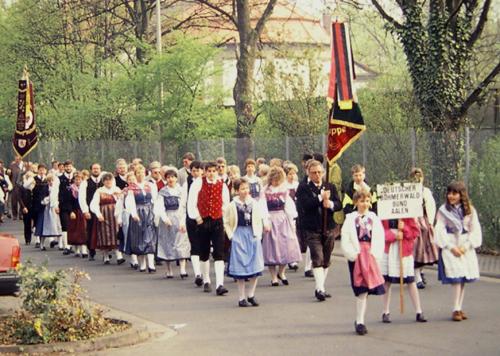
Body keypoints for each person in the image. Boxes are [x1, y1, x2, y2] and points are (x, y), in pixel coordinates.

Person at [435, 181, 481, 322]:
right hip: (451, 245)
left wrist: (467, 246)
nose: (451, 196)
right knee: (456, 277)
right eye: (449, 193)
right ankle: (455, 308)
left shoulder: (470, 210)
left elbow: (475, 229)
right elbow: (440, 229)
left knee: (463, 279)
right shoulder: (444, 210)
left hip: (464, 245)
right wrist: (450, 246)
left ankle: (459, 307)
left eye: (454, 193)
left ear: (461, 195)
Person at [296, 160, 342, 301]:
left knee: (326, 259)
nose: (317, 175)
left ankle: (320, 286)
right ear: (308, 173)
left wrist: (331, 204)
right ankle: (320, 289)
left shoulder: (329, 186)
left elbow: (338, 204)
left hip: (328, 227)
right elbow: (305, 205)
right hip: (312, 227)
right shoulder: (304, 187)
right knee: (317, 257)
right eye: (314, 172)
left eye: (320, 172)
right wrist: (320, 198)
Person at [341, 190, 385, 335]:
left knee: (366, 289)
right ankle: (359, 320)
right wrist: (351, 253)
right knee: (360, 288)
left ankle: (360, 321)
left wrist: (376, 253)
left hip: (369, 255)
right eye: (361, 201)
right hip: (357, 254)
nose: (364, 204)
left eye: (367, 201)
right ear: (355, 203)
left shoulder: (373, 218)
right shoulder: (350, 219)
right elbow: (346, 237)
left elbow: (379, 237)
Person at [188, 161, 230, 295]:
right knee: (204, 252)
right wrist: (197, 217)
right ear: (205, 171)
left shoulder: (221, 184)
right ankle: (206, 280)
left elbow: (225, 203)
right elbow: (192, 202)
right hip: (203, 221)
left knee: (219, 253)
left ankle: (220, 284)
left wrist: (221, 215)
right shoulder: (198, 183)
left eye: (214, 171)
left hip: (217, 221)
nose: (211, 174)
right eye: (209, 171)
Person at [224, 178, 267, 307]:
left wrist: (258, 234)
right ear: (237, 191)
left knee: (255, 265)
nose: (245, 191)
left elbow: (259, 218)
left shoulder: (254, 203)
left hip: (252, 234)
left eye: (247, 188)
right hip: (239, 235)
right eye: (242, 189)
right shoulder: (232, 205)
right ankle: (241, 297)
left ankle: (251, 294)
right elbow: (226, 221)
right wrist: (231, 236)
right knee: (240, 267)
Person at [381, 217, 427, 323]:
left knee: (411, 280)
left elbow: (415, 232)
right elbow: (379, 231)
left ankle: (419, 311)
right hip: (389, 249)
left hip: (404, 250)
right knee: (387, 281)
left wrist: (404, 228)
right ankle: (385, 311)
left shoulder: (407, 214)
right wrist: (393, 235)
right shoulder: (384, 212)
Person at [261, 166, 302, 286]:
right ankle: (273, 277)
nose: (276, 182)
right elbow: (262, 207)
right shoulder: (265, 191)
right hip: (271, 219)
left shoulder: (284, 190)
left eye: (278, 179)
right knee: (271, 248)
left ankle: (282, 272)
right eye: (274, 179)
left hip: (283, 220)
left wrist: (292, 221)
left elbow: (289, 207)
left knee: (286, 245)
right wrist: (265, 222)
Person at [155, 169, 191, 278]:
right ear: (166, 179)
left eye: (173, 177)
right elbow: (159, 206)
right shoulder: (162, 192)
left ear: (176, 178)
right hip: (168, 217)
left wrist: (183, 220)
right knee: (167, 243)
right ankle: (169, 270)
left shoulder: (181, 191)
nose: (171, 179)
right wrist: (165, 218)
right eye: (168, 177)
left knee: (181, 242)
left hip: (179, 217)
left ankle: (183, 269)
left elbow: (184, 206)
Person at [126, 165, 158, 273]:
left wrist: (155, 213)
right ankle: (142, 263)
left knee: (150, 237)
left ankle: (151, 264)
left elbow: (155, 199)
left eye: (142, 173)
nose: (141, 175)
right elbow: (130, 201)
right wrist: (134, 213)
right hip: (138, 211)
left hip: (149, 211)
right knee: (139, 238)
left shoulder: (150, 185)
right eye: (138, 173)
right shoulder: (132, 188)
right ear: (135, 175)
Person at [410, 168, 438, 289]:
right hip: (413, 222)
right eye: (415, 177)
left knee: (426, 249)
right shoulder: (408, 191)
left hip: (424, 222)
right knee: (416, 249)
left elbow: (431, 206)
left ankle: (420, 272)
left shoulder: (425, 191)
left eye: (419, 177)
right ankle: (417, 276)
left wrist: (430, 222)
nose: (417, 179)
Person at [90, 173, 124, 265]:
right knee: (104, 235)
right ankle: (105, 256)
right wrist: (98, 214)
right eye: (106, 180)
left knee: (116, 234)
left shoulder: (116, 189)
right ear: (103, 181)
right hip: (104, 215)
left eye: (110, 180)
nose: (108, 182)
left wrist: (119, 196)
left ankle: (119, 256)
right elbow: (94, 204)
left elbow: (122, 201)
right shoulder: (99, 191)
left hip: (115, 214)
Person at [183, 161, 204, 286]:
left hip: (205, 218)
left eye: (198, 170)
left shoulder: (205, 183)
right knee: (194, 246)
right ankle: (197, 273)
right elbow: (184, 203)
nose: (195, 173)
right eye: (193, 170)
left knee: (204, 246)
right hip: (191, 218)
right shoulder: (188, 183)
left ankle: (204, 272)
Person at [79, 163, 102, 261]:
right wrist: (85, 211)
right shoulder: (85, 183)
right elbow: (82, 198)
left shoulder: (104, 181)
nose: (96, 170)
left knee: (103, 230)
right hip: (90, 210)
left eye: (97, 168)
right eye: (94, 169)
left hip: (102, 210)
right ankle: (91, 250)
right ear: (91, 170)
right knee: (91, 230)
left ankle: (105, 250)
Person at [67, 172, 88, 258]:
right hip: (74, 212)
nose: (78, 181)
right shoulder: (70, 189)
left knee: (83, 230)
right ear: (74, 180)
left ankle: (84, 249)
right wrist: (70, 211)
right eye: (76, 179)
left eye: (80, 179)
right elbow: (68, 202)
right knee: (74, 230)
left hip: (82, 211)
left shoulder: (84, 188)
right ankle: (76, 249)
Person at [40, 174, 62, 250]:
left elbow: (59, 197)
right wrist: (48, 198)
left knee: (58, 225)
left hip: (56, 208)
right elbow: (42, 199)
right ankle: (42, 244)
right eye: (49, 181)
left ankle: (60, 244)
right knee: (46, 226)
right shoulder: (45, 188)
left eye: (52, 180)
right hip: (47, 209)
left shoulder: (57, 188)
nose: (50, 182)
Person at [58, 160, 74, 255]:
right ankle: (66, 246)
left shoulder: (76, 178)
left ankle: (73, 244)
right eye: (66, 166)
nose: (68, 168)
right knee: (65, 225)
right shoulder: (60, 178)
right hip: (63, 205)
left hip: (74, 206)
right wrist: (56, 205)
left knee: (73, 225)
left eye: (70, 166)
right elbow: (56, 192)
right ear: (64, 167)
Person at [31, 164, 48, 248]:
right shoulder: (34, 179)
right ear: (38, 170)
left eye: (43, 170)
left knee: (43, 222)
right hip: (36, 203)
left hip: (45, 204)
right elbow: (28, 188)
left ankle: (42, 240)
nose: (42, 171)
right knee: (36, 221)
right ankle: (37, 239)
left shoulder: (47, 179)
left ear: (45, 170)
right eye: (40, 170)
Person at [19, 170, 35, 244]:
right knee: (27, 224)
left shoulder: (34, 186)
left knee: (35, 223)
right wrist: (23, 207)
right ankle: (27, 239)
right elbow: (20, 198)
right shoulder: (22, 187)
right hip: (26, 207)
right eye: (28, 176)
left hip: (34, 206)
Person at [8, 155, 25, 220]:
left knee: (22, 200)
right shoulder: (12, 165)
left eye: (18, 159)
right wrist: (8, 172)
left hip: (22, 185)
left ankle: (21, 214)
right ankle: (14, 215)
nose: (16, 160)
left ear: (20, 159)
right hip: (14, 185)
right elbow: (9, 174)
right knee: (14, 200)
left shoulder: (24, 165)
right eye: (15, 159)